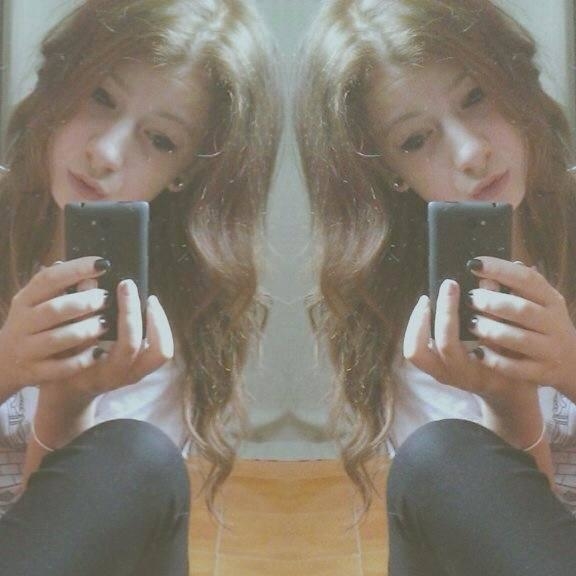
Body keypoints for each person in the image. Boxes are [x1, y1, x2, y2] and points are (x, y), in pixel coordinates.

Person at [0, 0, 280, 573]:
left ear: (186, 172)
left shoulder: (162, 324)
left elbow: (65, 534)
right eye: (101, 97)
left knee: (136, 458)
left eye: (159, 139)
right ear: (65, 82)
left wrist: (65, 401)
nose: (105, 154)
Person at [296, 0, 576, 573]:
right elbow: (510, 533)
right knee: (440, 458)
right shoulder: (416, 324)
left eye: (476, 97)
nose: (471, 153)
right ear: (389, 172)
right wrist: (510, 401)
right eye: (417, 139)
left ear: (511, 81)